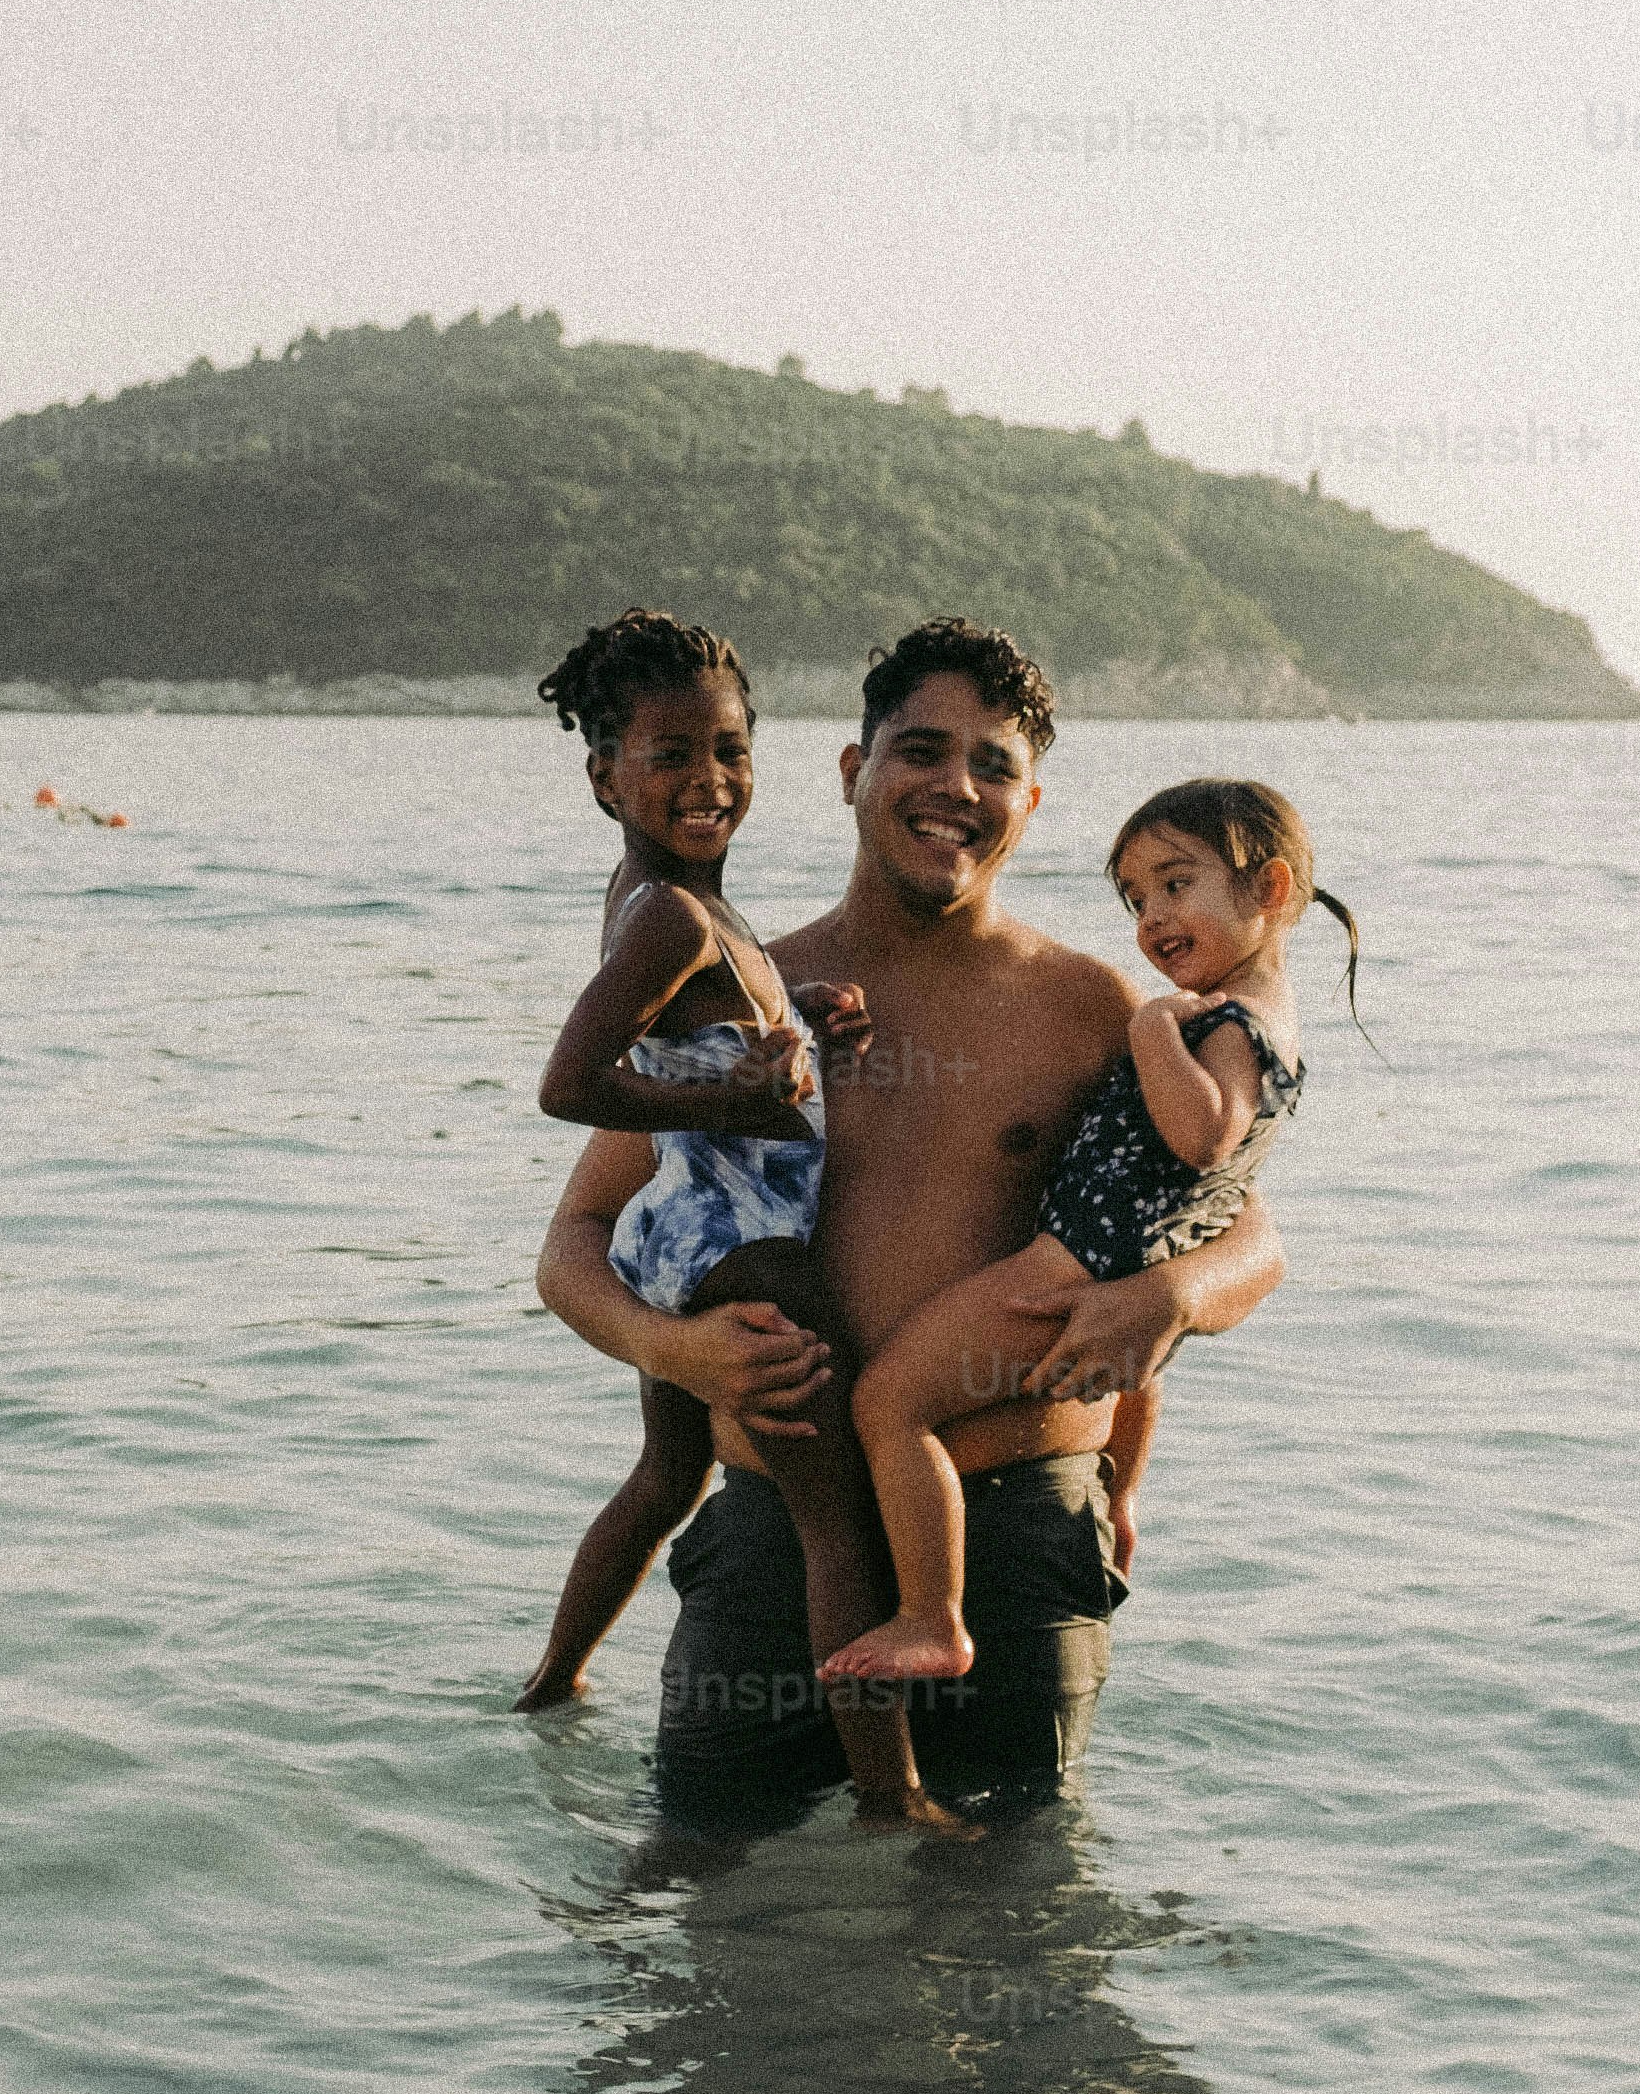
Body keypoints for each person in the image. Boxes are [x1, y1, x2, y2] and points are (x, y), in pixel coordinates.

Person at [536, 622, 1285, 1831]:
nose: (954, 787)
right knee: (707, 1927)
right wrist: (671, 1350)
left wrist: (1171, 1297)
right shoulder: (745, 985)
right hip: (778, 1535)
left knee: (1020, 1933)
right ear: (851, 770)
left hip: (1019, 1538)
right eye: (919, 751)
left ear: (1029, 800)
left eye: (990, 766)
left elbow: (1247, 1234)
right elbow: (573, 1239)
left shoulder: (1096, 1006)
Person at [823, 779, 1351, 1686]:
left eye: (1175, 885)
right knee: (1135, 1381)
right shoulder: (1243, 1017)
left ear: (1269, 889)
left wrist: (1149, 1027)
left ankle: (932, 1617)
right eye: (1137, 899)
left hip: (1067, 1272)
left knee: (889, 1405)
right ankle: (1122, 1496)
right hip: (1116, 1263)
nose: (1152, 917)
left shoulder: (1213, 1024)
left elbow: (1205, 1134)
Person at [512, 613, 897, 1776]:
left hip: (674, 1236)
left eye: (728, 749)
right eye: (669, 754)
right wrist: (729, 1099)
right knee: (838, 1520)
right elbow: (568, 1083)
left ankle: (550, 1684)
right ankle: (892, 1792)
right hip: (746, 1244)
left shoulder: (678, 904)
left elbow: (699, 1025)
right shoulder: (673, 913)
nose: (708, 779)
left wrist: (801, 1011)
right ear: (602, 775)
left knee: (667, 1475)